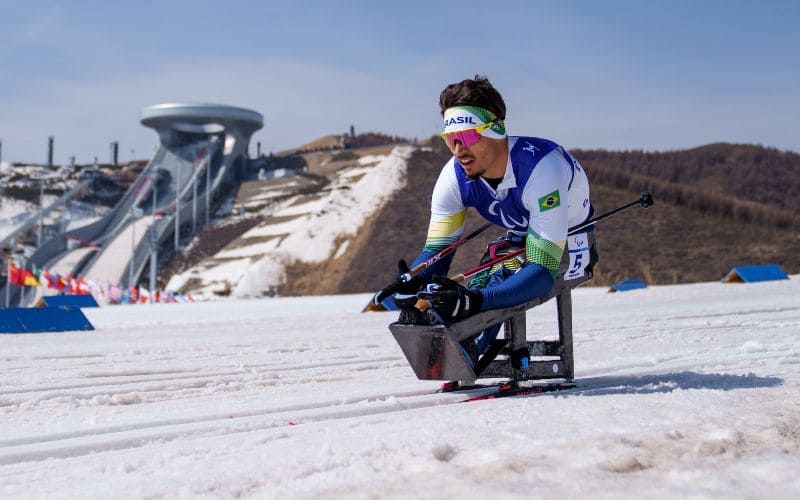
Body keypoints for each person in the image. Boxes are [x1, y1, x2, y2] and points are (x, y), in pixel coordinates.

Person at [389, 75, 594, 365]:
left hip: (570, 243)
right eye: (450, 140)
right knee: (448, 291)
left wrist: (474, 300)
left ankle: (468, 348)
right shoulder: (454, 177)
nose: (459, 150)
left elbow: (542, 271)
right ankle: (459, 352)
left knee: (497, 277)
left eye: (468, 137)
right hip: (520, 238)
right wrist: (413, 283)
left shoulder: (541, 169)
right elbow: (437, 252)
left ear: (496, 130)